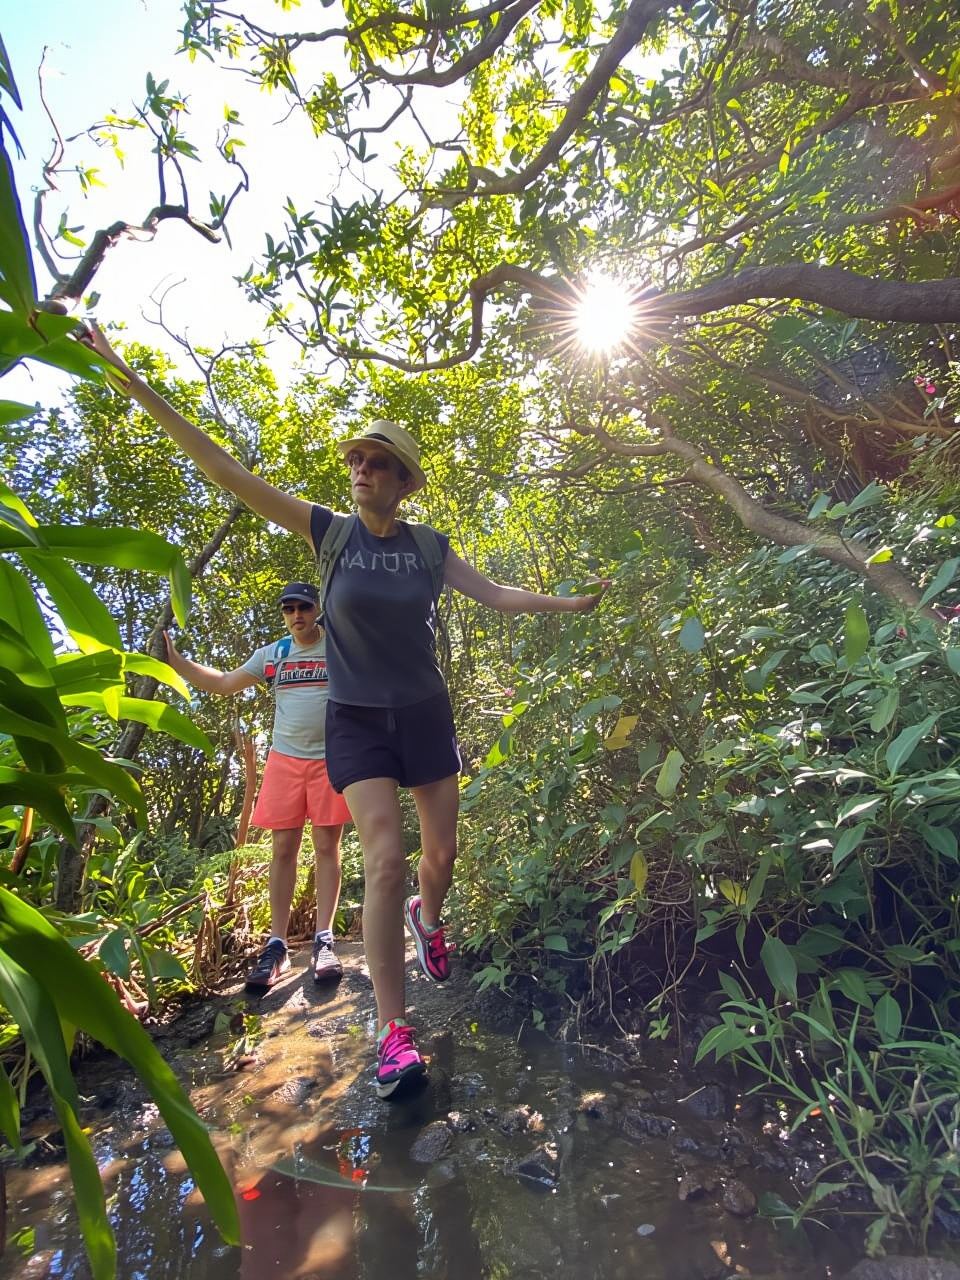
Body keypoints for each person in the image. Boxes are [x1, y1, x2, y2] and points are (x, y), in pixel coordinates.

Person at [82, 325, 608, 1098]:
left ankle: (431, 921)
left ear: (404, 482)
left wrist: (567, 601)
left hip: (425, 715)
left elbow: (494, 593)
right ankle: (395, 1033)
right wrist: (135, 384)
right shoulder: (328, 535)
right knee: (385, 858)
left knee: (441, 856)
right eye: (356, 460)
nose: (362, 470)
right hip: (355, 721)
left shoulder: (428, 546)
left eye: (379, 464)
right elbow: (226, 470)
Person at [163, 582, 351, 993]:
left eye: (303, 606)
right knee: (283, 849)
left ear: (317, 609)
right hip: (285, 760)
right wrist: (177, 662)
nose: (297, 614)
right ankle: (277, 945)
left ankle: (324, 941)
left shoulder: (338, 646)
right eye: (289, 609)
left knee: (325, 847)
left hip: (331, 760)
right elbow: (225, 683)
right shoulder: (274, 655)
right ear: (283, 615)